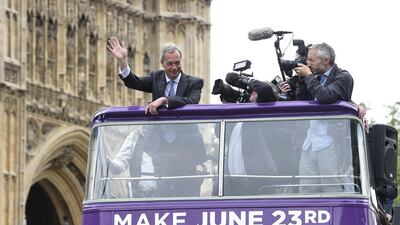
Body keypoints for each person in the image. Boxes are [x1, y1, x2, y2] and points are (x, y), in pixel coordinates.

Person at [292, 43, 354, 193]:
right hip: (309, 143)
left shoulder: (343, 77)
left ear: (325, 60)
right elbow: (300, 103)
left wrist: (308, 76)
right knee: (306, 190)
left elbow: (325, 96)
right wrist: (301, 81)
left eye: (311, 60)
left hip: (330, 143)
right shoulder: (314, 77)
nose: (307, 64)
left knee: (332, 189)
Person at [106, 37, 204, 115]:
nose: (174, 67)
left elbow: (192, 101)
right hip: (158, 134)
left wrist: (164, 100)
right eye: (170, 64)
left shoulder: (194, 82)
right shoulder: (156, 77)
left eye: (177, 62)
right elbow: (134, 82)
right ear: (162, 63)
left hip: (184, 135)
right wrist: (122, 61)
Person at [225, 82, 279, 195]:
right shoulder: (241, 116)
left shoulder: (262, 119)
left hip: (252, 182)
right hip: (232, 182)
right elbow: (218, 132)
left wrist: (247, 82)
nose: (253, 92)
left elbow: (264, 90)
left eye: (256, 91)